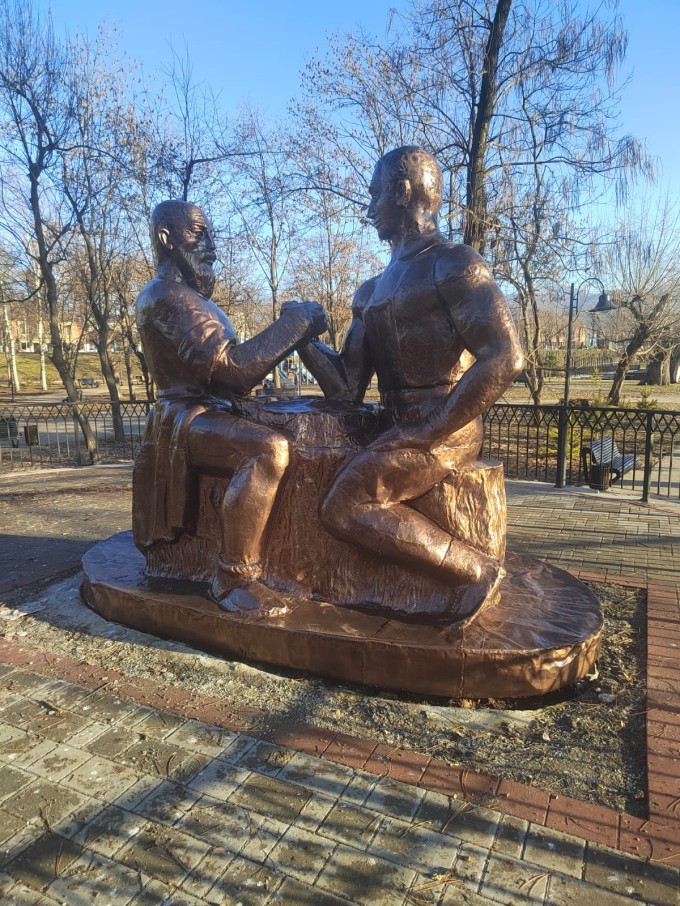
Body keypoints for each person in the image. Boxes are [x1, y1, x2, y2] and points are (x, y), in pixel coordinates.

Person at [297, 146, 523, 624]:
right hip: (394, 426)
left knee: (344, 506)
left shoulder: (454, 264)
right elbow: (345, 386)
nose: (368, 208)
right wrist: (301, 337)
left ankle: (475, 572)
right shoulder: (370, 289)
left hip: (446, 428)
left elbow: (505, 355)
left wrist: (431, 429)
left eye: (374, 195)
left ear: (402, 192)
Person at [133, 200, 327, 611]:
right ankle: (233, 577)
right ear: (167, 238)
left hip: (214, 410)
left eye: (210, 235)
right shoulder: (165, 295)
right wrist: (295, 324)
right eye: (197, 233)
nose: (211, 246)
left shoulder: (195, 299)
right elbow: (231, 370)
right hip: (184, 419)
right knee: (267, 450)